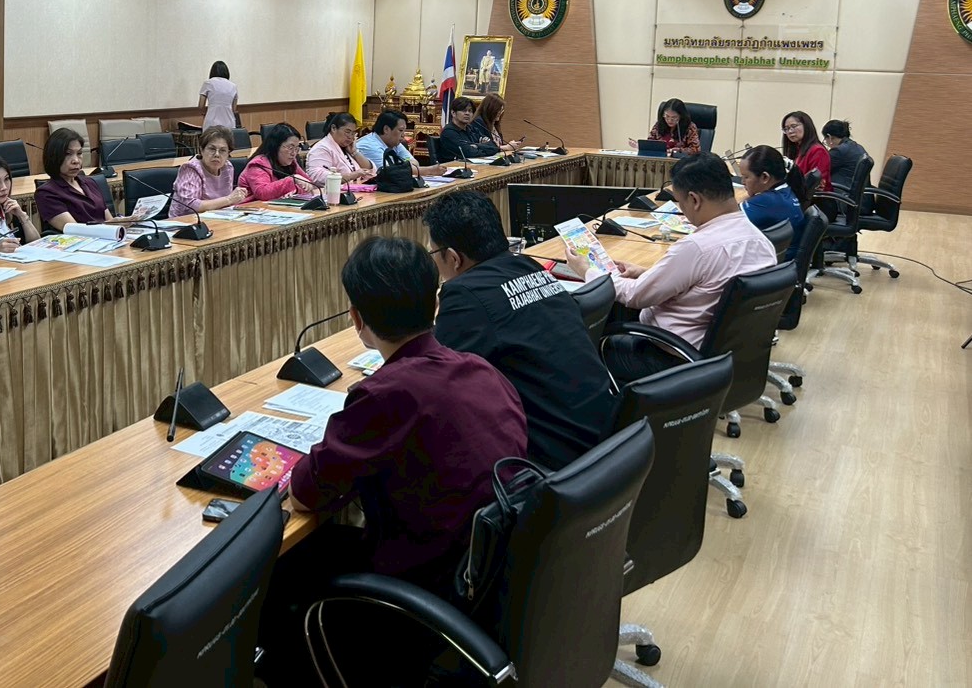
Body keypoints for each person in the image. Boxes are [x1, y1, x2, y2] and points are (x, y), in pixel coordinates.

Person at [289, 236, 528, 589]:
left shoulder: (385, 395)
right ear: (435, 304)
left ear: (356, 318)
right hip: (491, 572)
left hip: (427, 583)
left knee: (289, 564)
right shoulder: (481, 370)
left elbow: (303, 494)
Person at [425, 189, 619, 471]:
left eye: (433, 252)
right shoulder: (528, 265)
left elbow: (436, 382)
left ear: (453, 258)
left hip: (556, 458)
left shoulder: (465, 293)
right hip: (605, 433)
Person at [571, 154, 776, 383]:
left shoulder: (697, 247)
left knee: (581, 354)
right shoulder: (761, 241)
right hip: (724, 356)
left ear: (694, 200)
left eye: (680, 202)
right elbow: (708, 282)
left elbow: (636, 296)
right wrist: (645, 273)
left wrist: (588, 271)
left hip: (673, 357)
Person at [35, 126, 113, 231]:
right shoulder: (46, 193)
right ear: (54, 156)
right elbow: (77, 231)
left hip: (108, 237)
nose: (76, 160)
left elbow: (109, 221)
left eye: (79, 153)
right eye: (68, 154)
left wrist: (124, 222)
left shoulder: (90, 182)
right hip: (84, 240)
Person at [739, 145, 807, 260]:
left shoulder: (767, 201)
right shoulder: (784, 192)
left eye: (746, 177)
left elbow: (724, 220)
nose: (742, 182)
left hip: (771, 263)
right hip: (783, 262)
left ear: (765, 177)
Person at [170, 126, 248, 215]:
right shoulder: (191, 168)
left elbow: (225, 204)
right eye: (212, 149)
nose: (217, 154)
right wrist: (229, 199)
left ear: (228, 154)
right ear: (201, 150)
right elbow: (191, 206)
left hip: (216, 217)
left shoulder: (227, 167)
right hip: (185, 220)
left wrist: (237, 197)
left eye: (223, 150)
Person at [239, 123, 321, 201]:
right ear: (275, 146)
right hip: (250, 208)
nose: (294, 153)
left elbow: (310, 185)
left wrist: (294, 190)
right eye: (290, 148)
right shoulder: (257, 164)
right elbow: (262, 193)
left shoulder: (291, 162)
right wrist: (292, 180)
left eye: (296, 148)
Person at [354, 111, 447, 179]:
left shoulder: (393, 142)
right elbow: (390, 171)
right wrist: (428, 170)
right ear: (386, 129)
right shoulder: (369, 145)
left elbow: (414, 163)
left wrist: (401, 166)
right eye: (400, 130)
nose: (403, 135)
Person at [304, 112, 376, 186]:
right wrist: (352, 175)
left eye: (353, 133)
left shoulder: (347, 147)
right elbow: (317, 176)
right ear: (333, 128)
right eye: (347, 132)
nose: (350, 137)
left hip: (356, 190)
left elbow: (371, 171)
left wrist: (355, 153)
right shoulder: (321, 148)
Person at [435, 97, 501, 163]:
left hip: (474, 165)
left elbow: (494, 147)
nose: (467, 113)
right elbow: (469, 153)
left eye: (470, 111)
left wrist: (477, 146)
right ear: (453, 113)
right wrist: (483, 147)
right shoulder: (449, 132)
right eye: (464, 110)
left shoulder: (472, 129)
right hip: (454, 167)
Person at [781, 111, 832, 192]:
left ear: (806, 126)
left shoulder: (817, 151)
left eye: (793, 126)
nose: (790, 131)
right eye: (786, 129)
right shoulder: (796, 150)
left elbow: (817, 185)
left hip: (814, 197)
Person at [631, 98, 700, 157]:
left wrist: (680, 150)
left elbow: (696, 150)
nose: (670, 120)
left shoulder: (690, 127)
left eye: (674, 117)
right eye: (667, 116)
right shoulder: (659, 125)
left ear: (681, 116)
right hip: (660, 161)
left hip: (681, 163)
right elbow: (650, 143)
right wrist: (640, 146)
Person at [823, 119, 869, 191]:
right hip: (857, 194)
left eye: (825, 141)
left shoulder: (838, 151)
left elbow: (821, 170)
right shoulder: (857, 147)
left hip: (842, 194)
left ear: (829, 137)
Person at [198, 61, 239, 131]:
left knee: (211, 138)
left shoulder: (208, 83)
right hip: (229, 123)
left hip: (211, 122)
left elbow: (201, 106)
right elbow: (234, 109)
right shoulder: (233, 86)